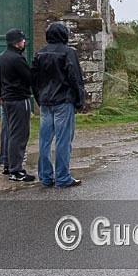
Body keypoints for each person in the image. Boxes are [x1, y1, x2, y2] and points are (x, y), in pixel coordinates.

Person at [30, 23, 85, 188]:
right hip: (63, 100)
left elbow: (34, 80)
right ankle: (62, 177)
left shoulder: (39, 53)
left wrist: (39, 99)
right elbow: (75, 78)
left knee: (44, 141)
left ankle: (45, 177)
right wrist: (79, 100)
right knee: (63, 140)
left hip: (45, 101)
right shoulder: (68, 53)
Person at [0, 29, 35, 181]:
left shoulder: (1, 57)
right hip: (19, 99)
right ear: (17, 42)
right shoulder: (17, 59)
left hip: (6, 100)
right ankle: (16, 170)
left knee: (9, 132)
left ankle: (8, 165)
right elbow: (29, 78)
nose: (24, 42)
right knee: (19, 134)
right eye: (22, 40)